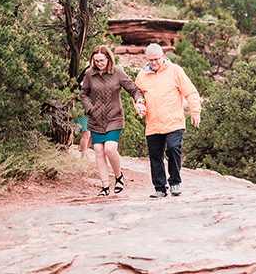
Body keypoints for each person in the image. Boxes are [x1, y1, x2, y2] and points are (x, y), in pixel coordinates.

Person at [135, 43, 202, 198]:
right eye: (150, 60)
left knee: (173, 149)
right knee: (155, 156)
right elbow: (138, 96)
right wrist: (139, 106)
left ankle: (175, 182)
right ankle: (160, 188)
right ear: (147, 59)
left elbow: (190, 92)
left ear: (163, 56)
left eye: (157, 59)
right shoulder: (142, 75)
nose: (154, 63)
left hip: (174, 121)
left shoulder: (175, 70)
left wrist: (195, 111)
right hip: (153, 123)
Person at [79, 45, 144, 196]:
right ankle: (105, 187)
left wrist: (139, 100)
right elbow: (83, 94)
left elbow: (134, 89)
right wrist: (90, 109)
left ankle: (118, 176)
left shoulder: (118, 72)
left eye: (101, 60)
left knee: (109, 149)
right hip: (96, 118)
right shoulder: (89, 74)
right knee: (98, 151)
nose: (99, 63)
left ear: (108, 59)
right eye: (96, 61)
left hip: (114, 117)